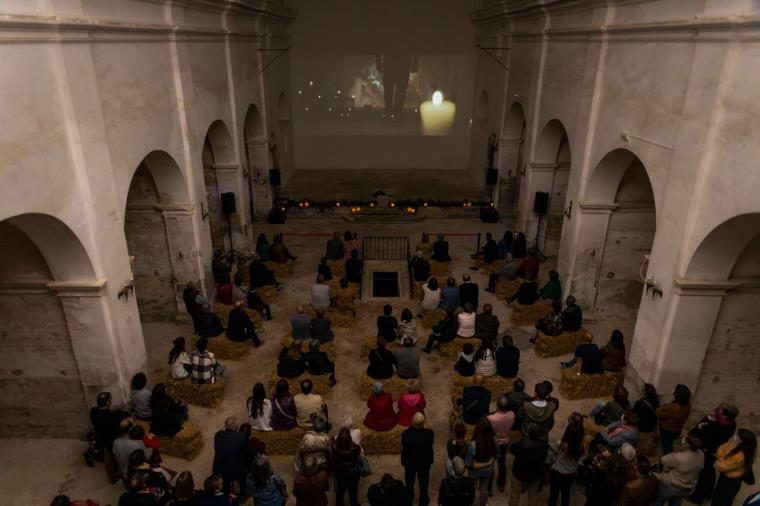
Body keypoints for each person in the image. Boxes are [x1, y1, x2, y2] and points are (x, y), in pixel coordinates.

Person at [688, 402, 739, 504]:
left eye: (719, 410)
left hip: (708, 451)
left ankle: (697, 497)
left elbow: (699, 430)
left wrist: (706, 421)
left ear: (725, 415)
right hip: (716, 450)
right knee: (710, 472)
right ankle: (707, 493)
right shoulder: (731, 424)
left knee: (703, 474)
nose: (716, 410)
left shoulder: (716, 427)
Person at [654, 434, 705, 505]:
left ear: (688, 445)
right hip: (686, 489)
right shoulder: (701, 454)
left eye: (685, 442)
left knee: (658, 501)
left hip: (670, 486)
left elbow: (663, 459)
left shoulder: (679, 457)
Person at [547, 413, 585, 506]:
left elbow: (551, 446)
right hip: (570, 475)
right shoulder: (581, 448)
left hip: (557, 472)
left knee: (553, 495)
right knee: (566, 494)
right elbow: (582, 461)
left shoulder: (561, 445)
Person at [712, 428, 757, 506]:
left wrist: (719, 458)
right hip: (735, 482)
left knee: (720, 500)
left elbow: (719, 466)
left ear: (742, 441)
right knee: (727, 499)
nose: (734, 436)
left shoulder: (739, 457)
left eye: (737, 435)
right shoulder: (748, 450)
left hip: (728, 482)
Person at [509, 424, 549, 506]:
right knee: (532, 496)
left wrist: (521, 440)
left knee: (514, 495)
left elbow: (511, 449)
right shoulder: (544, 446)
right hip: (535, 475)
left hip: (518, 473)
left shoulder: (521, 444)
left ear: (528, 434)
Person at [401, 412, 435, 506]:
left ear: (412, 422)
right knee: (424, 483)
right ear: (424, 422)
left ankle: (409, 498)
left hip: (409, 462)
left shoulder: (406, 434)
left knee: (409, 483)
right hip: (424, 463)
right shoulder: (429, 434)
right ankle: (423, 500)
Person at [465, 419, 499, 506]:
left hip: (474, 472)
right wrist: (489, 462)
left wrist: (475, 464)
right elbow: (498, 455)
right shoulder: (494, 440)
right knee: (484, 490)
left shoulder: (473, 445)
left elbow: (468, 463)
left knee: (471, 488)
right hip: (488, 471)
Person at [487, 395, 515, 494]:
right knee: (502, 462)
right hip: (505, 442)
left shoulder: (491, 418)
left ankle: (489, 488)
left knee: (490, 463)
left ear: (497, 405)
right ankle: (501, 484)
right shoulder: (512, 415)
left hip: (493, 443)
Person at [212, 417, 248, 495]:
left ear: (225, 426)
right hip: (236, 471)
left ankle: (227, 494)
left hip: (220, 471)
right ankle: (243, 493)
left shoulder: (218, 435)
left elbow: (216, 448)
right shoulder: (242, 436)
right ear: (237, 427)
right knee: (244, 469)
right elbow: (245, 452)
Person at [657, 384, 692, 456]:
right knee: (670, 441)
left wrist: (665, 406)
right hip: (678, 429)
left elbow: (658, 412)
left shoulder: (672, 408)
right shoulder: (688, 405)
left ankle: (668, 459)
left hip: (667, 429)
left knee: (667, 446)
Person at [332, 427, 363, 506]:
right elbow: (359, 454)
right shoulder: (355, 448)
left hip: (340, 472)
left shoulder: (334, 446)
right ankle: (354, 504)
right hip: (353, 472)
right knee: (353, 491)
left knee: (340, 491)